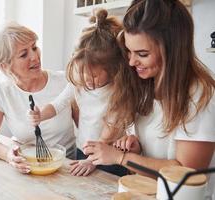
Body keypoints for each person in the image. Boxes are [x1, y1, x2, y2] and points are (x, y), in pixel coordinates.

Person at [83, 0, 215, 198]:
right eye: (129, 51)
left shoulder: (200, 96)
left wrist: (121, 157)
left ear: (173, 50)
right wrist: (138, 149)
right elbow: (157, 154)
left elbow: (185, 175)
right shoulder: (147, 84)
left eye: (142, 54)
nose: (131, 61)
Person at [28, 9, 137, 177]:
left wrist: (92, 160)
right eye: (82, 71)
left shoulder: (118, 91)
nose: (87, 79)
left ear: (113, 68)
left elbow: (110, 131)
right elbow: (58, 105)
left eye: (93, 75)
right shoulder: (78, 83)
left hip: (109, 155)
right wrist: (41, 114)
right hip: (83, 150)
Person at [0, 22, 76, 174]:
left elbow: (86, 127)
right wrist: (7, 154)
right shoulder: (3, 92)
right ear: (5, 66)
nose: (35, 57)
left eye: (34, 47)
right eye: (24, 54)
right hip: (29, 169)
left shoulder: (66, 81)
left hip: (68, 169)